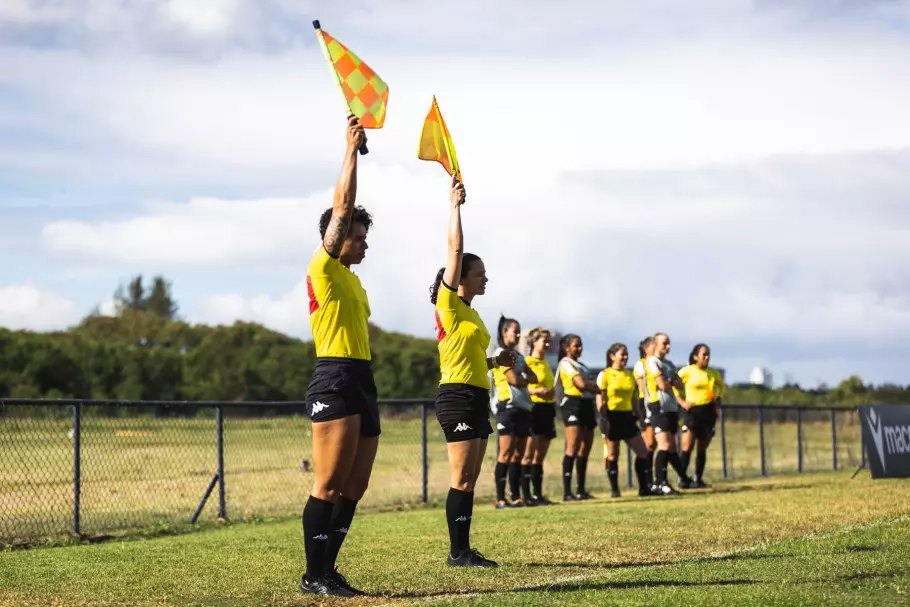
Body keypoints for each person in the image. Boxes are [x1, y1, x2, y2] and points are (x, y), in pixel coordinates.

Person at [300, 117, 377, 597]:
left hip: (362, 378)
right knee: (328, 484)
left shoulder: (353, 280)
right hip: (334, 375)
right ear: (336, 235)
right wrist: (350, 150)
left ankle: (329, 569)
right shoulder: (324, 267)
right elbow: (343, 205)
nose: (364, 243)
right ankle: (314, 575)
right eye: (358, 236)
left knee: (356, 484)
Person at [430, 178, 513, 568]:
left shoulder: (473, 315)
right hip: (457, 396)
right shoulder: (448, 304)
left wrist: (498, 362)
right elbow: (455, 248)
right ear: (459, 277)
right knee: (460, 477)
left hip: (477, 395)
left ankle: (463, 548)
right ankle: (457, 553)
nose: (485, 278)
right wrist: (455, 205)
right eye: (479, 273)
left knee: (470, 479)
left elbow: (476, 359)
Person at [596, 343, 654, 497]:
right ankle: (615, 490)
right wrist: (603, 419)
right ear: (612, 356)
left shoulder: (629, 375)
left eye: (627, 354)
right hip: (612, 417)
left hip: (628, 417)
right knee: (613, 455)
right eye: (622, 354)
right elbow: (600, 399)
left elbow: (634, 399)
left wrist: (640, 417)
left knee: (643, 452)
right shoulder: (605, 374)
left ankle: (643, 488)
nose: (625, 357)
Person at [490, 316, 537, 508]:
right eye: (514, 331)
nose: (518, 335)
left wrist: (524, 377)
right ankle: (501, 498)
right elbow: (514, 380)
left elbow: (533, 376)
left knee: (518, 454)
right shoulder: (500, 353)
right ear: (504, 333)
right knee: (506, 453)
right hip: (507, 407)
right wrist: (524, 378)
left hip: (523, 407)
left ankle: (516, 496)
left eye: (519, 331)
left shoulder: (520, 357)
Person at [645, 332, 694, 495]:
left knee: (671, 447)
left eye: (669, 343)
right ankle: (660, 482)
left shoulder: (669, 364)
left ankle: (681, 479)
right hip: (658, 407)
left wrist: (670, 380)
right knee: (664, 445)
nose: (668, 346)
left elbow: (679, 384)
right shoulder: (652, 361)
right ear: (655, 344)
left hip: (671, 408)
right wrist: (670, 380)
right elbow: (662, 385)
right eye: (664, 343)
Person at [556, 334, 600, 501]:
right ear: (567, 347)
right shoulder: (565, 363)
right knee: (572, 447)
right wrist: (592, 386)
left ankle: (581, 490)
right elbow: (581, 384)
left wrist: (591, 386)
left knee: (585, 448)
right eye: (576, 345)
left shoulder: (582, 365)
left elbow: (591, 386)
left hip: (587, 406)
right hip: (572, 405)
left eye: (581, 345)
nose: (579, 348)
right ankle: (567, 492)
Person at [677, 343, 724, 488]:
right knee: (687, 445)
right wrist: (681, 402)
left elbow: (721, 386)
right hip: (692, 411)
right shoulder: (687, 371)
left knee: (702, 447)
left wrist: (718, 398)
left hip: (708, 411)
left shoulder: (712, 372)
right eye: (704, 354)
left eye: (708, 354)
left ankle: (698, 478)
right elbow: (672, 385)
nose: (707, 357)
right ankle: (683, 478)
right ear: (696, 356)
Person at [522, 327, 557, 505]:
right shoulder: (528, 362)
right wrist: (538, 390)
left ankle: (538, 494)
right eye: (544, 340)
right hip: (534, 409)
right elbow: (521, 387)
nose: (548, 344)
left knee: (540, 456)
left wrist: (551, 393)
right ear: (534, 342)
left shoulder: (546, 364)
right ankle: (525, 495)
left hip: (548, 409)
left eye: (549, 341)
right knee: (528, 454)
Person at [632, 337, 655, 492]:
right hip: (646, 404)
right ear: (646, 349)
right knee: (649, 444)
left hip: (656, 404)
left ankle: (652, 481)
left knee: (655, 445)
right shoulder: (641, 364)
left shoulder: (659, 363)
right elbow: (642, 389)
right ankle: (647, 482)